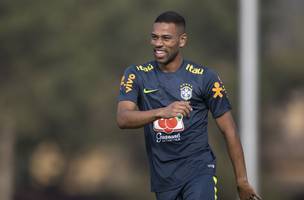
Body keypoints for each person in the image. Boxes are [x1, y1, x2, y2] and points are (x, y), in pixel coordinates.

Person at [117, 11, 261, 200]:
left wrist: (241, 180)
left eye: (166, 38)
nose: (158, 43)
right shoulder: (137, 74)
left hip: (199, 172)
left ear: (182, 40)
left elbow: (229, 130)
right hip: (163, 179)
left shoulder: (205, 77)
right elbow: (123, 118)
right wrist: (162, 112)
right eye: (155, 37)